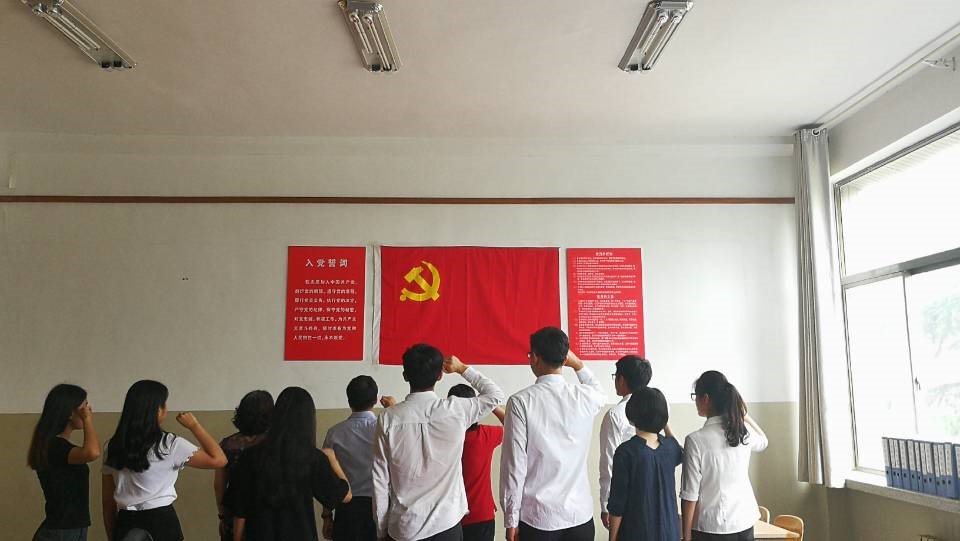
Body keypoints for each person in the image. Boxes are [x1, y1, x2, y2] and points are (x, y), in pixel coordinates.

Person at [372, 344, 504, 541]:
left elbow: (380, 480)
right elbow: (495, 395)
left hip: (405, 528)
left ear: (405, 375)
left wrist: (382, 530)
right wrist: (461, 368)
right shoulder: (456, 410)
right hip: (447, 525)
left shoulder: (388, 419)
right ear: (440, 376)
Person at [500, 327, 605, 541]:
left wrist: (511, 518)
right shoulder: (585, 396)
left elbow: (514, 466)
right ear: (565, 359)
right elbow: (599, 391)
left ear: (534, 357)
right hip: (580, 517)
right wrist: (578, 365)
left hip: (538, 518)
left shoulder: (520, 402)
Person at [102, 380, 228, 541]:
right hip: (161, 521)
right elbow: (219, 460)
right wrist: (194, 425)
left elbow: (108, 501)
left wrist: (113, 536)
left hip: (125, 523)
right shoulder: (169, 444)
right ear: (157, 410)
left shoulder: (112, 446)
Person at [228, 386, 352, 541]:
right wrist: (333, 460)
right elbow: (345, 496)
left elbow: (240, 510)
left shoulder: (250, 456)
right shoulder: (313, 458)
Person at [680, 371, 769, 541]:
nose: (695, 402)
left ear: (705, 398)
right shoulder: (743, 433)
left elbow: (690, 495)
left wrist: (686, 536)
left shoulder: (695, 440)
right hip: (744, 522)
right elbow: (764, 441)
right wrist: (744, 416)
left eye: (695, 396)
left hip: (710, 527)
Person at [607, 387, 682, 541]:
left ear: (631, 413)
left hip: (636, 532)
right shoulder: (670, 448)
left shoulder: (626, 452)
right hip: (669, 532)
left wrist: (612, 537)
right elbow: (680, 450)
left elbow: (617, 503)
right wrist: (664, 423)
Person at [28, 384, 101, 541]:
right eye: (84, 407)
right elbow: (92, 452)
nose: (89, 411)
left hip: (70, 528)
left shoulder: (58, 445)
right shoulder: (55, 446)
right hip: (61, 531)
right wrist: (87, 420)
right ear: (70, 412)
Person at [320, 376, 380, 541]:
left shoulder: (334, 433)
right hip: (379, 508)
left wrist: (327, 516)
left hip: (346, 510)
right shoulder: (384, 430)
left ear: (349, 401)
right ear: (375, 400)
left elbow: (327, 477)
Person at [599, 355, 652, 530]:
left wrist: (606, 504)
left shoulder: (615, 414)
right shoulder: (655, 409)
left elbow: (609, 462)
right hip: (651, 492)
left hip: (625, 498)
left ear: (621, 379)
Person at [448, 384, 506, 541]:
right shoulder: (485, 435)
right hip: (482, 513)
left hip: (451, 516)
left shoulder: (443, 437)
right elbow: (513, 425)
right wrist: (489, 404)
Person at [215, 390, 274, 541]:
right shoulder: (275, 444)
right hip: (268, 515)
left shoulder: (227, 445)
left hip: (234, 512)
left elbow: (219, 485)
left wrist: (222, 516)